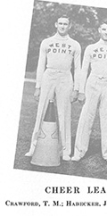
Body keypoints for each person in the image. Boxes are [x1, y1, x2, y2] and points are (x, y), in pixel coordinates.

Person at [26, 15, 81, 161]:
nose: (63, 26)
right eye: (60, 23)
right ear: (56, 24)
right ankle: (34, 146)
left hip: (65, 77)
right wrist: (38, 86)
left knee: (64, 114)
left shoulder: (75, 44)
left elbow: (78, 68)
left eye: (66, 24)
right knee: (41, 112)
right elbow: (40, 65)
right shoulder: (47, 42)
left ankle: (65, 150)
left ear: (69, 26)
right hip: (49, 75)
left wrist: (77, 88)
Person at [71, 19, 107, 164]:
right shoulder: (91, 47)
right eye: (104, 29)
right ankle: (79, 151)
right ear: (99, 30)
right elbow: (84, 69)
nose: (106, 32)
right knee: (86, 117)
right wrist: (81, 90)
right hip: (92, 82)